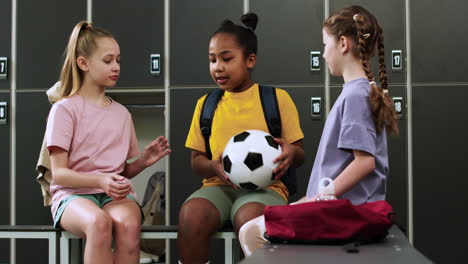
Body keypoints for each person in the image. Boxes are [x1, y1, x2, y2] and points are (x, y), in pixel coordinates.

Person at [238, 5, 399, 256]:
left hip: (344, 213)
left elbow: (365, 163)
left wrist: (320, 196)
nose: (323, 54)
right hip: (341, 208)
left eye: (326, 45)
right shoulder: (359, 91)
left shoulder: (356, 95)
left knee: (251, 231)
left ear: (343, 44)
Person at [177, 13, 305, 264]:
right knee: (190, 215)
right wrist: (214, 166)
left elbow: (299, 154)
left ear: (250, 60)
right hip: (218, 187)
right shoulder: (206, 105)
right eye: (212, 60)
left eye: (227, 59)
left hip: (267, 189)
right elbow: (196, 161)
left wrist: (290, 153)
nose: (218, 67)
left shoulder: (277, 99)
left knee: (250, 220)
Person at [46, 21, 171, 264]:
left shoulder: (122, 114)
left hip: (112, 196)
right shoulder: (65, 109)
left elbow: (120, 172)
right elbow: (59, 174)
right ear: (83, 63)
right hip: (73, 195)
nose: (116, 67)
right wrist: (100, 180)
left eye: (118, 60)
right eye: (107, 60)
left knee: (128, 225)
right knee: (98, 222)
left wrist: (143, 161)